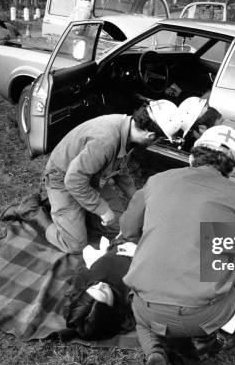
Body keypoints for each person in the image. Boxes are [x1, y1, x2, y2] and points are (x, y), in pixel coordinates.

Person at [120, 125, 235, 365]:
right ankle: (205, 340)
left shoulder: (157, 181)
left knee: (141, 319)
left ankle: (156, 355)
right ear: (232, 170)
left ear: (192, 157)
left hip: (150, 309)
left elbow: (127, 230)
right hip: (204, 315)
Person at [38, 100, 180, 254]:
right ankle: (38, 216)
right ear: (151, 135)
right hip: (63, 177)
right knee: (75, 244)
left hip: (91, 176)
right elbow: (73, 180)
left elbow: (120, 170)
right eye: (158, 139)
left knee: (119, 225)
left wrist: (140, 199)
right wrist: (102, 209)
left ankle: (78, 215)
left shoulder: (128, 130)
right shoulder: (105, 141)